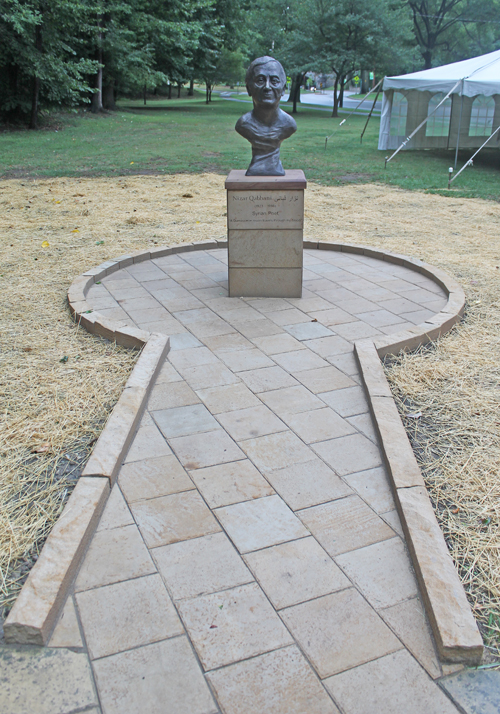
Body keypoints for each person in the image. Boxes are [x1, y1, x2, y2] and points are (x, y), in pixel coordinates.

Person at [235, 56, 297, 176]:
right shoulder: (243, 124)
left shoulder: (289, 125)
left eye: (274, 81)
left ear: (283, 89)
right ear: (249, 88)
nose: (267, 87)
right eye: (260, 80)